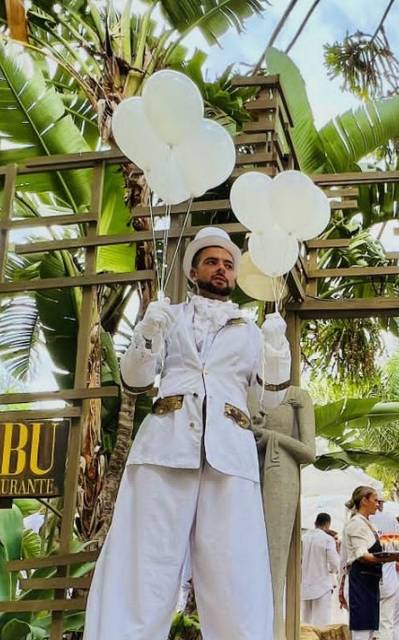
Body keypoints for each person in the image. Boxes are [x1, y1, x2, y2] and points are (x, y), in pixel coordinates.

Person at [84, 227, 291, 640]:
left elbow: (268, 403)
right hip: (165, 447)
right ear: (193, 269)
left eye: (228, 265)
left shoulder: (251, 331)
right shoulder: (169, 316)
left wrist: (276, 351)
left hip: (229, 455)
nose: (221, 270)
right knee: (146, 560)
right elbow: (135, 380)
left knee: (234, 567)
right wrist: (147, 333)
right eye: (212, 262)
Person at [342, 486, 399, 640]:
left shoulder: (369, 524)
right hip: (359, 584)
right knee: (361, 634)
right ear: (364, 500)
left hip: (370, 583)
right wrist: (388, 558)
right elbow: (362, 555)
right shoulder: (356, 524)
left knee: (370, 633)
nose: (378, 504)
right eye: (375, 500)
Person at [369, 490, 399, 640]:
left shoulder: (357, 520)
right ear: (380, 503)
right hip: (387, 580)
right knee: (386, 623)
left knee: (366, 627)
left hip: (365, 582)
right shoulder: (390, 520)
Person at [302, 512, 341, 627]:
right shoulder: (327, 539)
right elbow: (335, 563)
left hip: (305, 586)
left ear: (315, 523)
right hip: (321, 586)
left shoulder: (303, 538)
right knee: (321, 624)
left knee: (306, 623)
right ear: (327, 524)